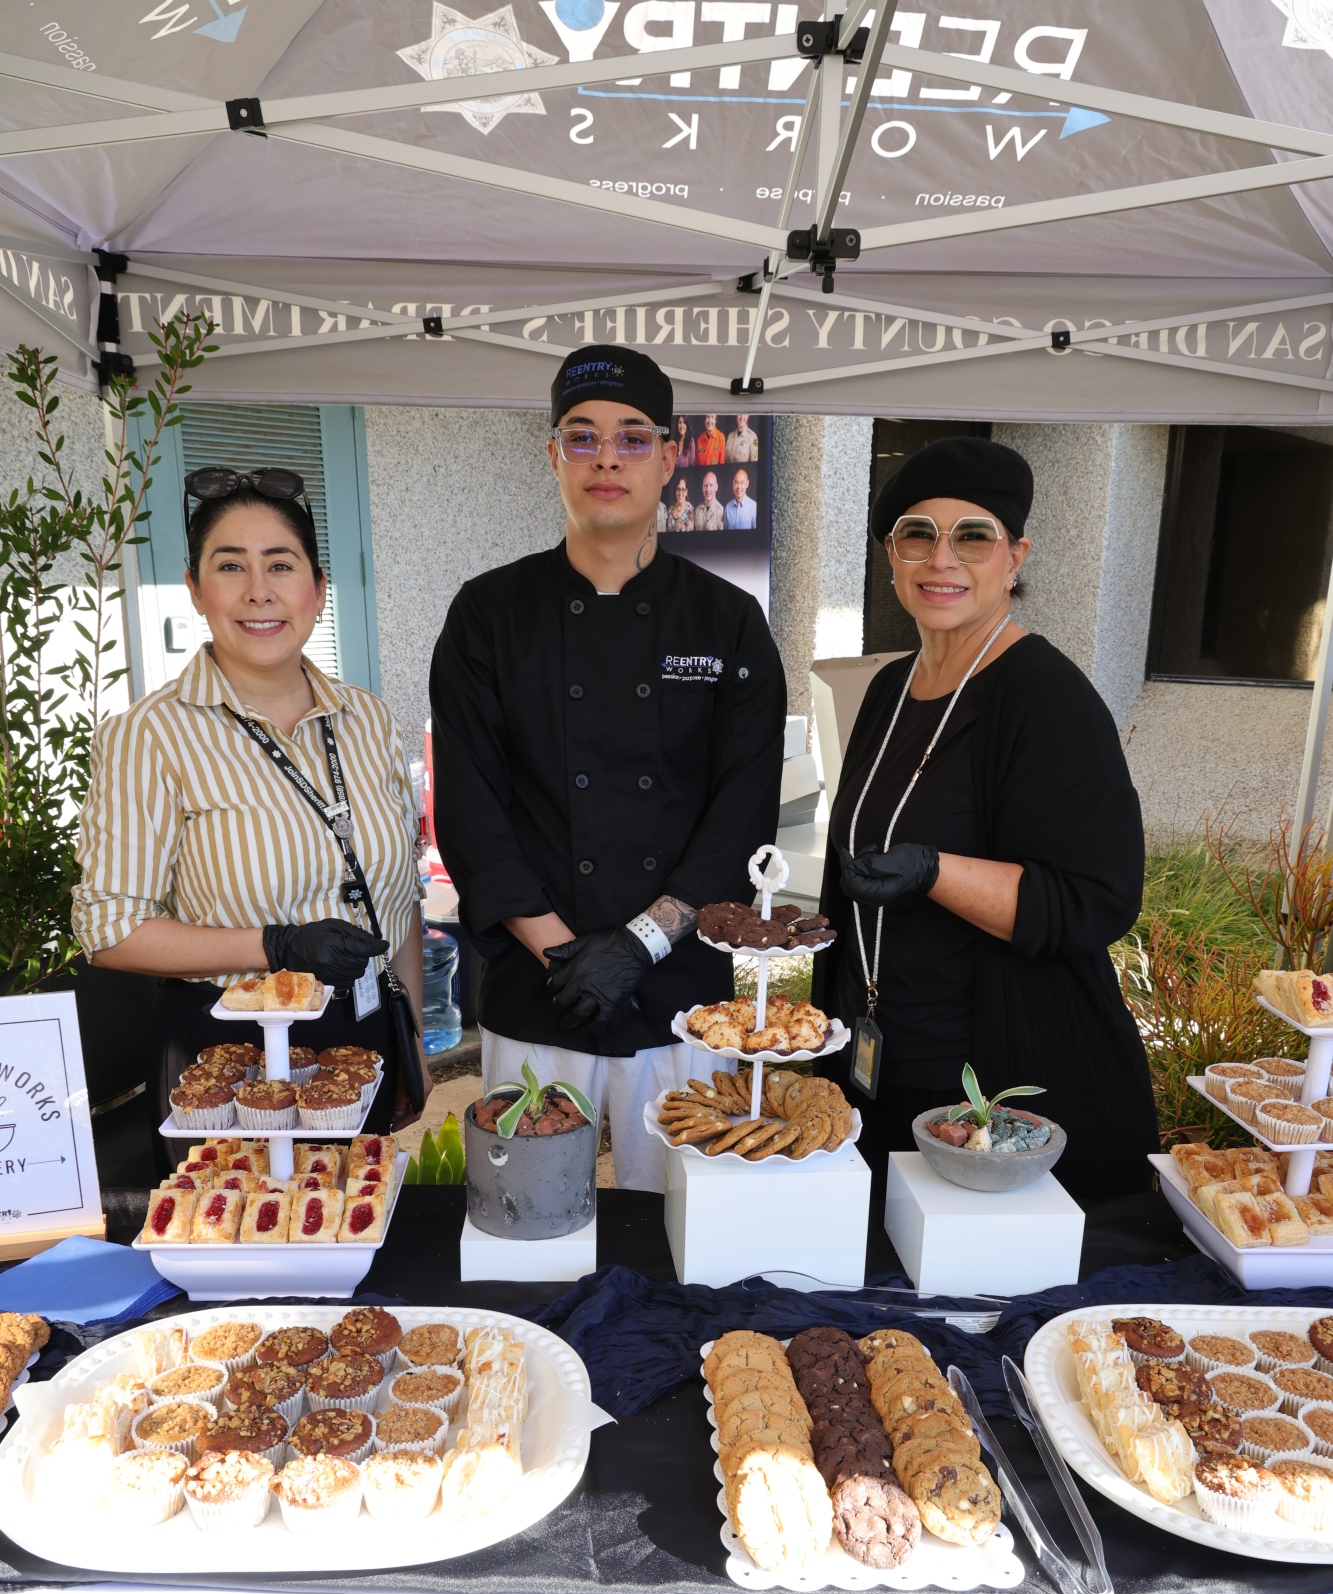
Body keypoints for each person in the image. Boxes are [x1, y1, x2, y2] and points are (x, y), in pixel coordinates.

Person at [430, 345, 787, 1190]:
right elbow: (472, 805)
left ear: (669, 457)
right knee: (526, 1217)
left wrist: (637, 944)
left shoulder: (728, 622)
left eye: (632, 438)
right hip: (537, 987)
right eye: (582, 437)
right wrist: (564, 955)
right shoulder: (488, 613)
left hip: (680, 998)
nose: (606, 459)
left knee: (682, 1224)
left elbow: (742, 810)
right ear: (552, 453)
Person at [812, 435, 1158, 1205]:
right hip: (870, 1057)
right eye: (916, 535)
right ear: (889, 555)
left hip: (982, 1091)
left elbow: (1093, 899)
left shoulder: (1045, 698)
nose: (942, 560)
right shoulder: (889, 686)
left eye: (973, 535)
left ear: (1015, 557)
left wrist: (934, 871)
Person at [73, 468, 427, 1139]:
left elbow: (399, 896)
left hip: (364, 1035)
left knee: (359, 1232)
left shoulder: (368, 719)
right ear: (194, 589)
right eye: (230, 565)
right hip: (224, 1056)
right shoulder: (148, 735)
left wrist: (407, 1035)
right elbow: (109, 929)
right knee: (246, 1233)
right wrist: (276, 945)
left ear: (318, 589)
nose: (258, 591)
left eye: (280, 565)